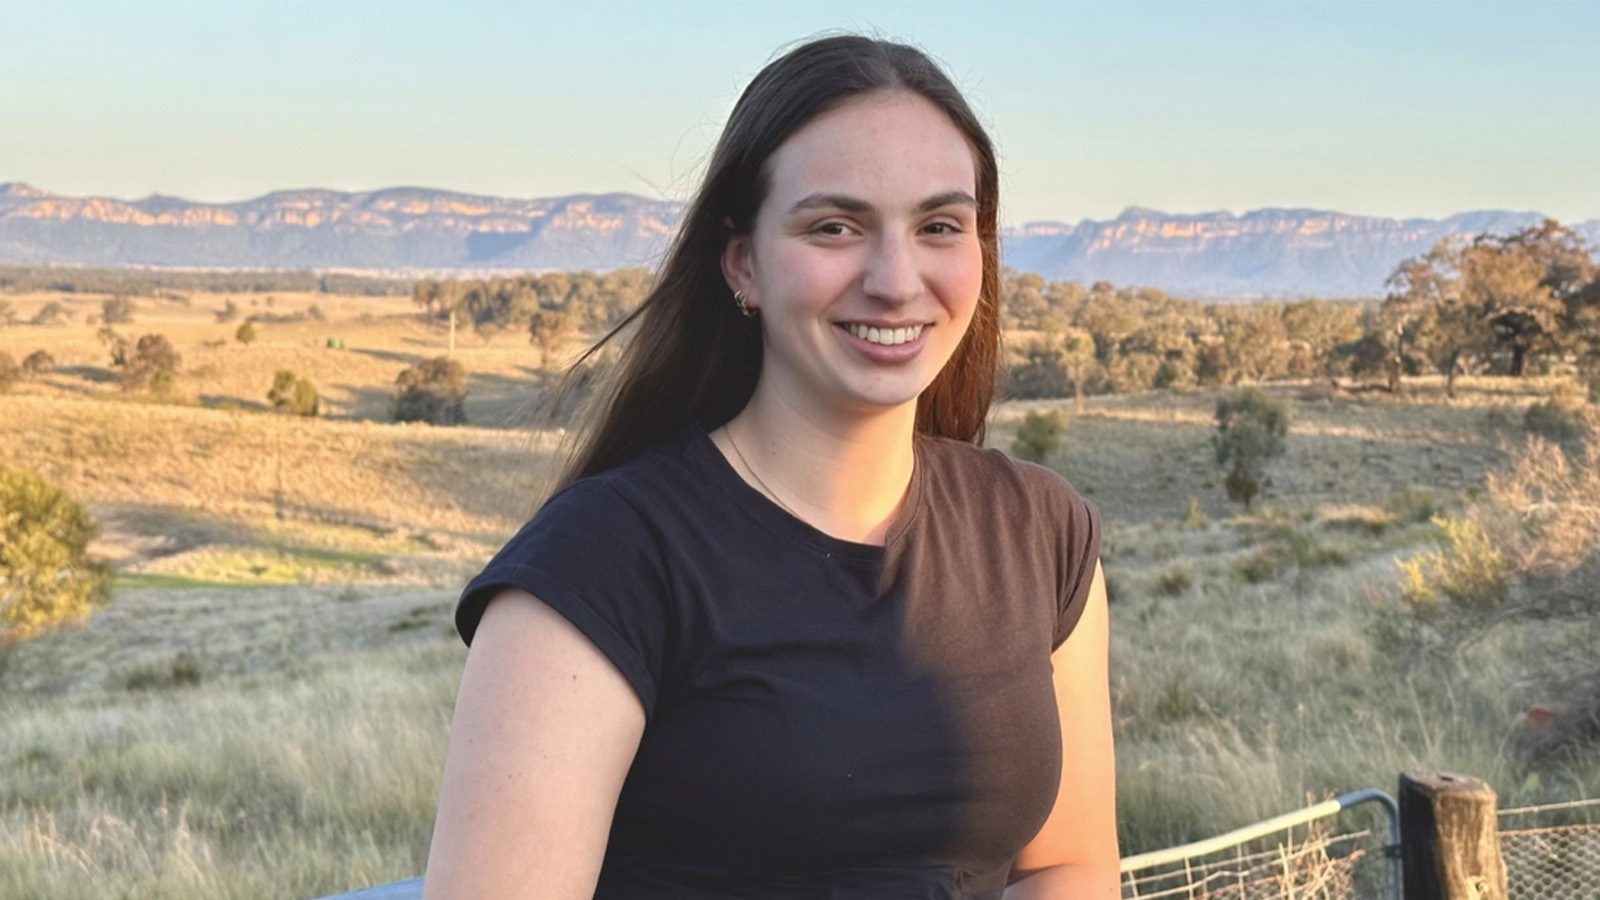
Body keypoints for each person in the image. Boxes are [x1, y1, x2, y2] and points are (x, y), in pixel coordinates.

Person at [422, 34, 1118, 900]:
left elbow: (1068, 865)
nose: (897, 279)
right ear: (741, 260)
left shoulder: (1041, 535)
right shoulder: (600, 567)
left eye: (940, 226)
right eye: (836, 227)